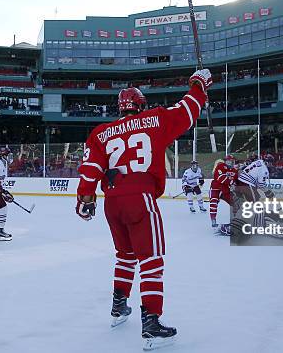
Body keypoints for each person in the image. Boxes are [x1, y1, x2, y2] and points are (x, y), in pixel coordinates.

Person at [76, 69, 212, 350]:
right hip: (141, 197)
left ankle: (118, 307)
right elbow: (187, 111)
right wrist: (198, 84)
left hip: (112, 202)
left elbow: (90, 171)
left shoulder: (100, 133)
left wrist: (85, 198)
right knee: (150, 259)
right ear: (141, 105)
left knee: (125, 256)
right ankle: (151, 324)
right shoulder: (155, 119)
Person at [209, 155, 238, 228]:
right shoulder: (220, 166)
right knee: (213, 202)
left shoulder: (234, 170)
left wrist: (235, 185)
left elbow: (235, 180)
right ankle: (213, 220)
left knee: (234, 203)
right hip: (216, 187)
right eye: (228, 161)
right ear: (225, 161)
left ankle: (236, 220)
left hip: (225, 189)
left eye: (232, 161)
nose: (230, 163)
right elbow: (220, 177)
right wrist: (231, 182)